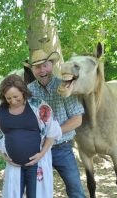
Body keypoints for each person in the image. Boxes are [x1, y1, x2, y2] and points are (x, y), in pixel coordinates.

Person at [23, 50, 86, 198]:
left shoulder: (64, 87)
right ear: (32, 70)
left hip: (62, 148)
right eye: (37, 67)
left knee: (75, 190)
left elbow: (78, 119)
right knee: (35, 193)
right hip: (36, 151)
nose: (42, 70)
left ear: (51, 65)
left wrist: (52, 133)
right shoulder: (28, 91)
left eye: (45, 65)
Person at [0, 74, 62, 198]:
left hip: (36, 163)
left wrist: (41, 154)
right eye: (8, 98)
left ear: (23, 92)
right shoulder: (1, 111)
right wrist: (3, 155)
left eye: (16, 97)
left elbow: (52, 132)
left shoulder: (39, 106)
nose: (12, 101)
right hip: (14, 166)